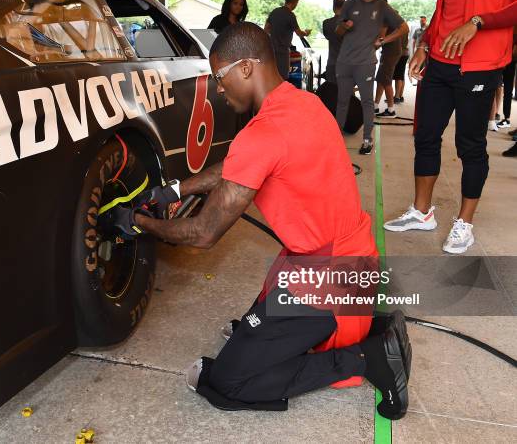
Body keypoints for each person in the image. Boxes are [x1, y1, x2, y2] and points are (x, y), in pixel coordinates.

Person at [102, 22, 411, 420]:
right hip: (349, 262)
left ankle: (365, 357)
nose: (217, 87)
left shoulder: (262, 133)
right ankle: (364, 328)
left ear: (245, 68)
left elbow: (202, 233)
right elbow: (238, 168)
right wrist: (175, 191)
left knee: (228, 381)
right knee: (247, 336)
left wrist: (139, 223)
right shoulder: (303, 104)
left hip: (325, 281)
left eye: (219, 76)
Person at [384, 0, 517, 254]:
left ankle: (464, 224)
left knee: (470, 146)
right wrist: (424, 45)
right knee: (425, 135)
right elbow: (443, 10)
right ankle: (422, 213)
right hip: (440, 63)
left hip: (480, 64)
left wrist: (477, 22)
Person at [335, 0, 409, 155]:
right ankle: (335, 139)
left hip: (365, 63)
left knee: (367, 102)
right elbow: (338, 32)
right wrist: (344, 25)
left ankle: (367, 140)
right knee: (342, 101)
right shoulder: (350, 4)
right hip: (344, 61)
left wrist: (383, 40)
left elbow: (403, 27)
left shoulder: (382, 7)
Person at [264, 0, 311, 80]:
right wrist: (306, 33)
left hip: (271, 50)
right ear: (295, 2)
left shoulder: (274, 11)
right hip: (283, 51)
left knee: (272, 76)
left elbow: (266, 29)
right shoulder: (291, 16)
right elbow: (299, 33)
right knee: (283, 78)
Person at [374, 0, 404, 118]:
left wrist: (370, 47)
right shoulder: (390, 12)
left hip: (391, 51)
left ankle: (391, 110)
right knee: (380, 78)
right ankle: (375, 106)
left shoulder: (385, 15)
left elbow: (380, 36)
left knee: (385, 79)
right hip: (391, 50)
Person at [322, 0, 345, 84]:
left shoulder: (326, 23)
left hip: (332, 63)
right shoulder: (350, 24)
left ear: (333, 7)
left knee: (331, 93)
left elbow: (327, 36)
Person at [498, 26, 517, 130]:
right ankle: (501, 117)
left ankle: (507, 118)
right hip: (504, 59)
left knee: (508, 90)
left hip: (510, 60)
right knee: (500, 88)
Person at [393, 29, 410, 104]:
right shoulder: (404, 28)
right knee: (401, 75)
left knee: (398, 76)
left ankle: (397, 97)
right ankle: (400, 96)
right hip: (405, 53)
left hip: (400, 53)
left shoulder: (399, 29)